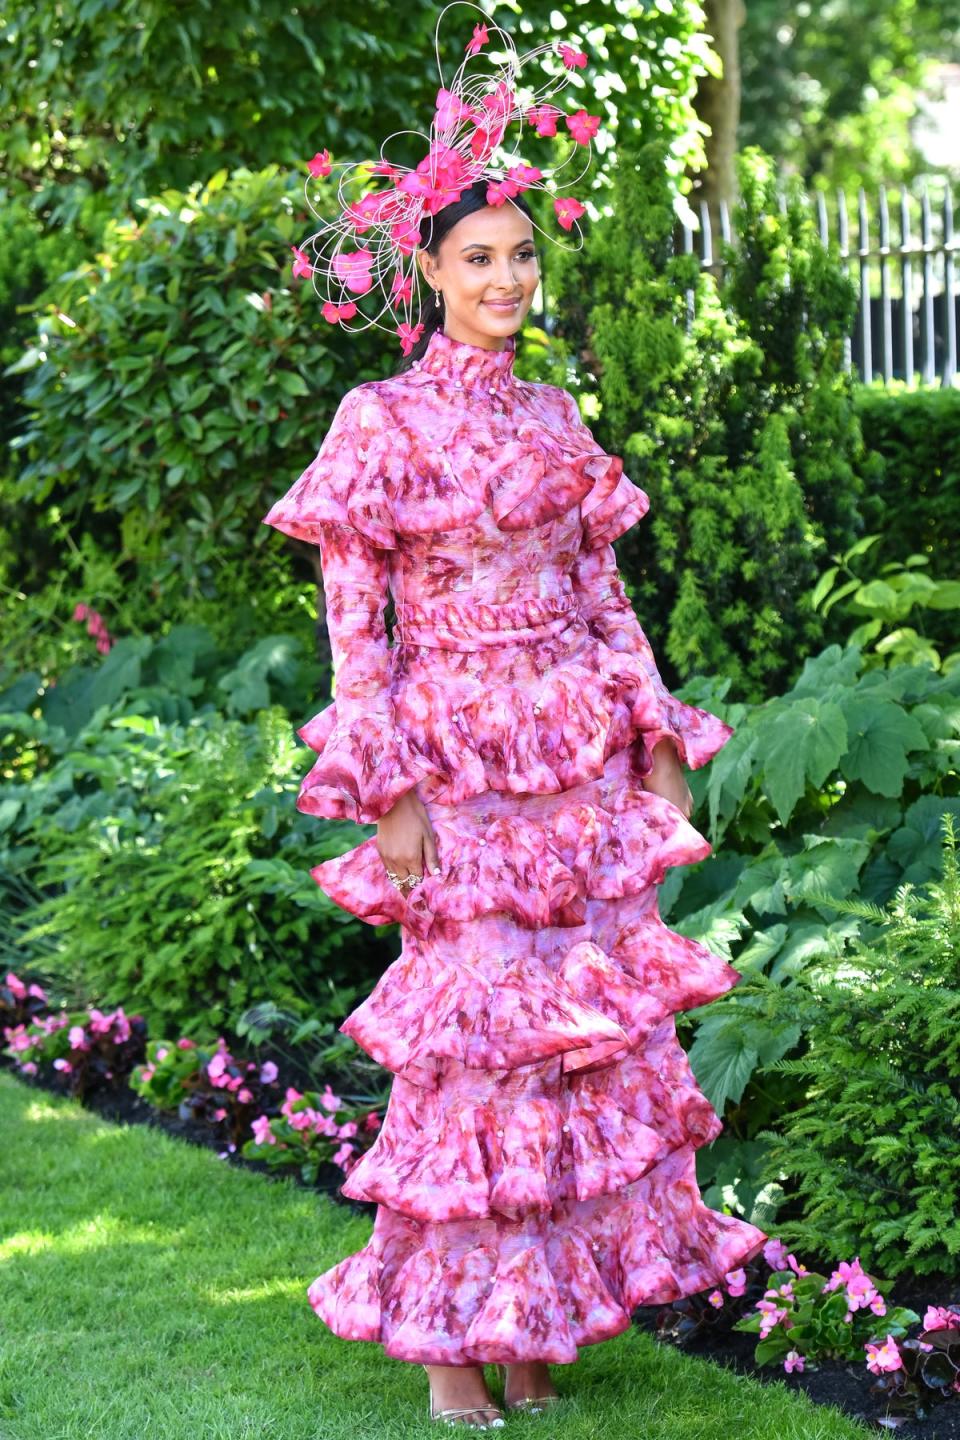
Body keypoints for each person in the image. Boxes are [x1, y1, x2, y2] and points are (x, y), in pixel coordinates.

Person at [262, 5, 768, 1429]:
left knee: (565, 1047)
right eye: (478, 258)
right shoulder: (382, 424)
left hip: (573, 774)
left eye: (522, 256)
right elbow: (355, 627)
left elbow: (606, 596)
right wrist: (390, 790)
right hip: (455, 766)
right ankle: (444, 1346)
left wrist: (658, 737)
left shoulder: (555, 419)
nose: (505, 278)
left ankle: (531, 1323)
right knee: (474, 1050)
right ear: (427, 272)